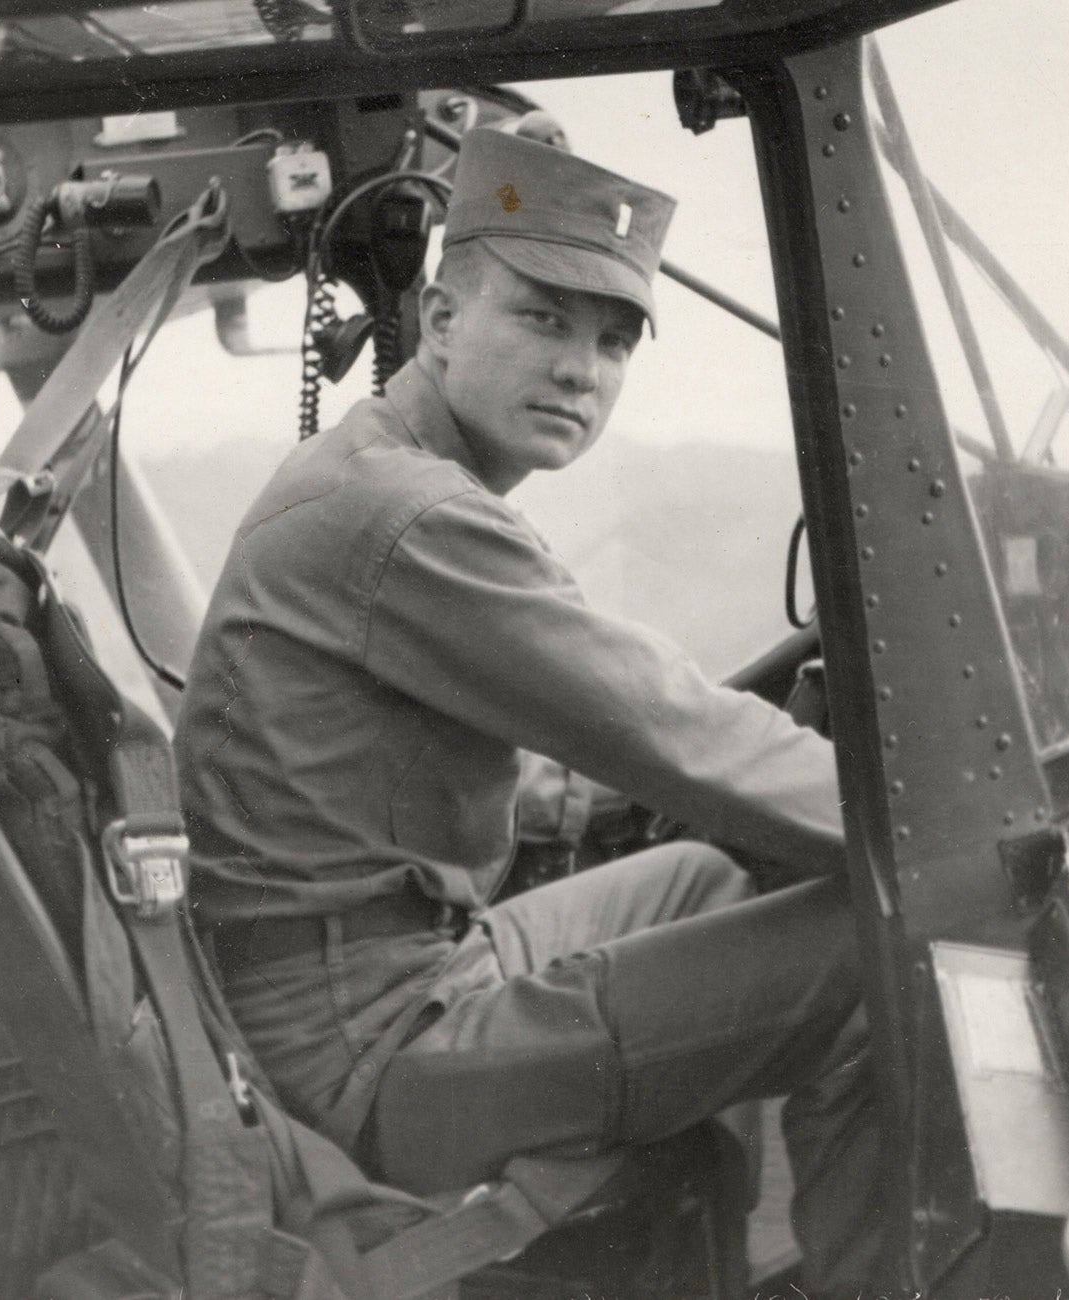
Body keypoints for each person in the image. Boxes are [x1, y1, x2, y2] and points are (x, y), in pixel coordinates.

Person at [172, 127, 886, 1295]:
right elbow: (665, 728)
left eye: (611, 342)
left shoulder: (384, 472)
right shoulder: (405, 516)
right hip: (369, 1056)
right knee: (879, 935)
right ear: (443, 322)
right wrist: (937, 821)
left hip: (372, 982)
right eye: (542, 320)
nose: (580, 372)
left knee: (707, 881)